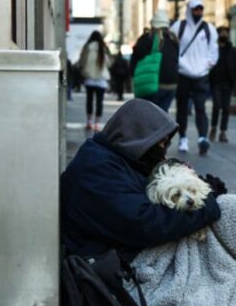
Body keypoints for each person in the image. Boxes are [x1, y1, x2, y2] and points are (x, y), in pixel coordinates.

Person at [60, 99, 224, 261]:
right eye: (159, 144)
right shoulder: (98, 169)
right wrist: (206, 202)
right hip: (104, 265)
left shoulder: (114, 156)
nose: (163, 151)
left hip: (116, 252)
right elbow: (146, 224)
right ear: (137, 137)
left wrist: (196, 184)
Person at [171, 0, 218, 155]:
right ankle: (183, 138)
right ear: (190, 10)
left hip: (201, 75)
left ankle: (202, 138)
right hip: (183, 74)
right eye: (195, 9)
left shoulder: (209, 29)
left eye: (200, 9)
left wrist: (208, 65)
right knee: (182, 108)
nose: (198, 12)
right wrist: (179, 63)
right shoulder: (179, 27)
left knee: (200, 107)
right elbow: (172, 47)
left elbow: (213, 50)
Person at [130, 9, 179, 112]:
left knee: (148, 115)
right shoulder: (173, 39)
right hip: (172, 85)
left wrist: (132, 75)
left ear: (153, 25)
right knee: (162, 114)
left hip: (154, 84)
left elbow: (134, 59)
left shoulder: (148, 39)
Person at [208, 26, 236, 143]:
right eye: (221, 33)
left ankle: (223, 132)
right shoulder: (213, 48)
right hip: (216, 83)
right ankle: (213, 128)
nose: (224, 35)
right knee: (217, 106)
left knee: (226, 109)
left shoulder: (232, 50)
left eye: (225, 33)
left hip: (228, 83)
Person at [78, 31, 112, 131]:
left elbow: (82, 61)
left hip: (89, 78)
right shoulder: (103, 48)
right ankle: (97, 124)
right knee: (99, 102)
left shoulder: (88, 47)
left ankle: (89, 122)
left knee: (89, 100)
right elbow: (109, 63)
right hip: (101, 79)